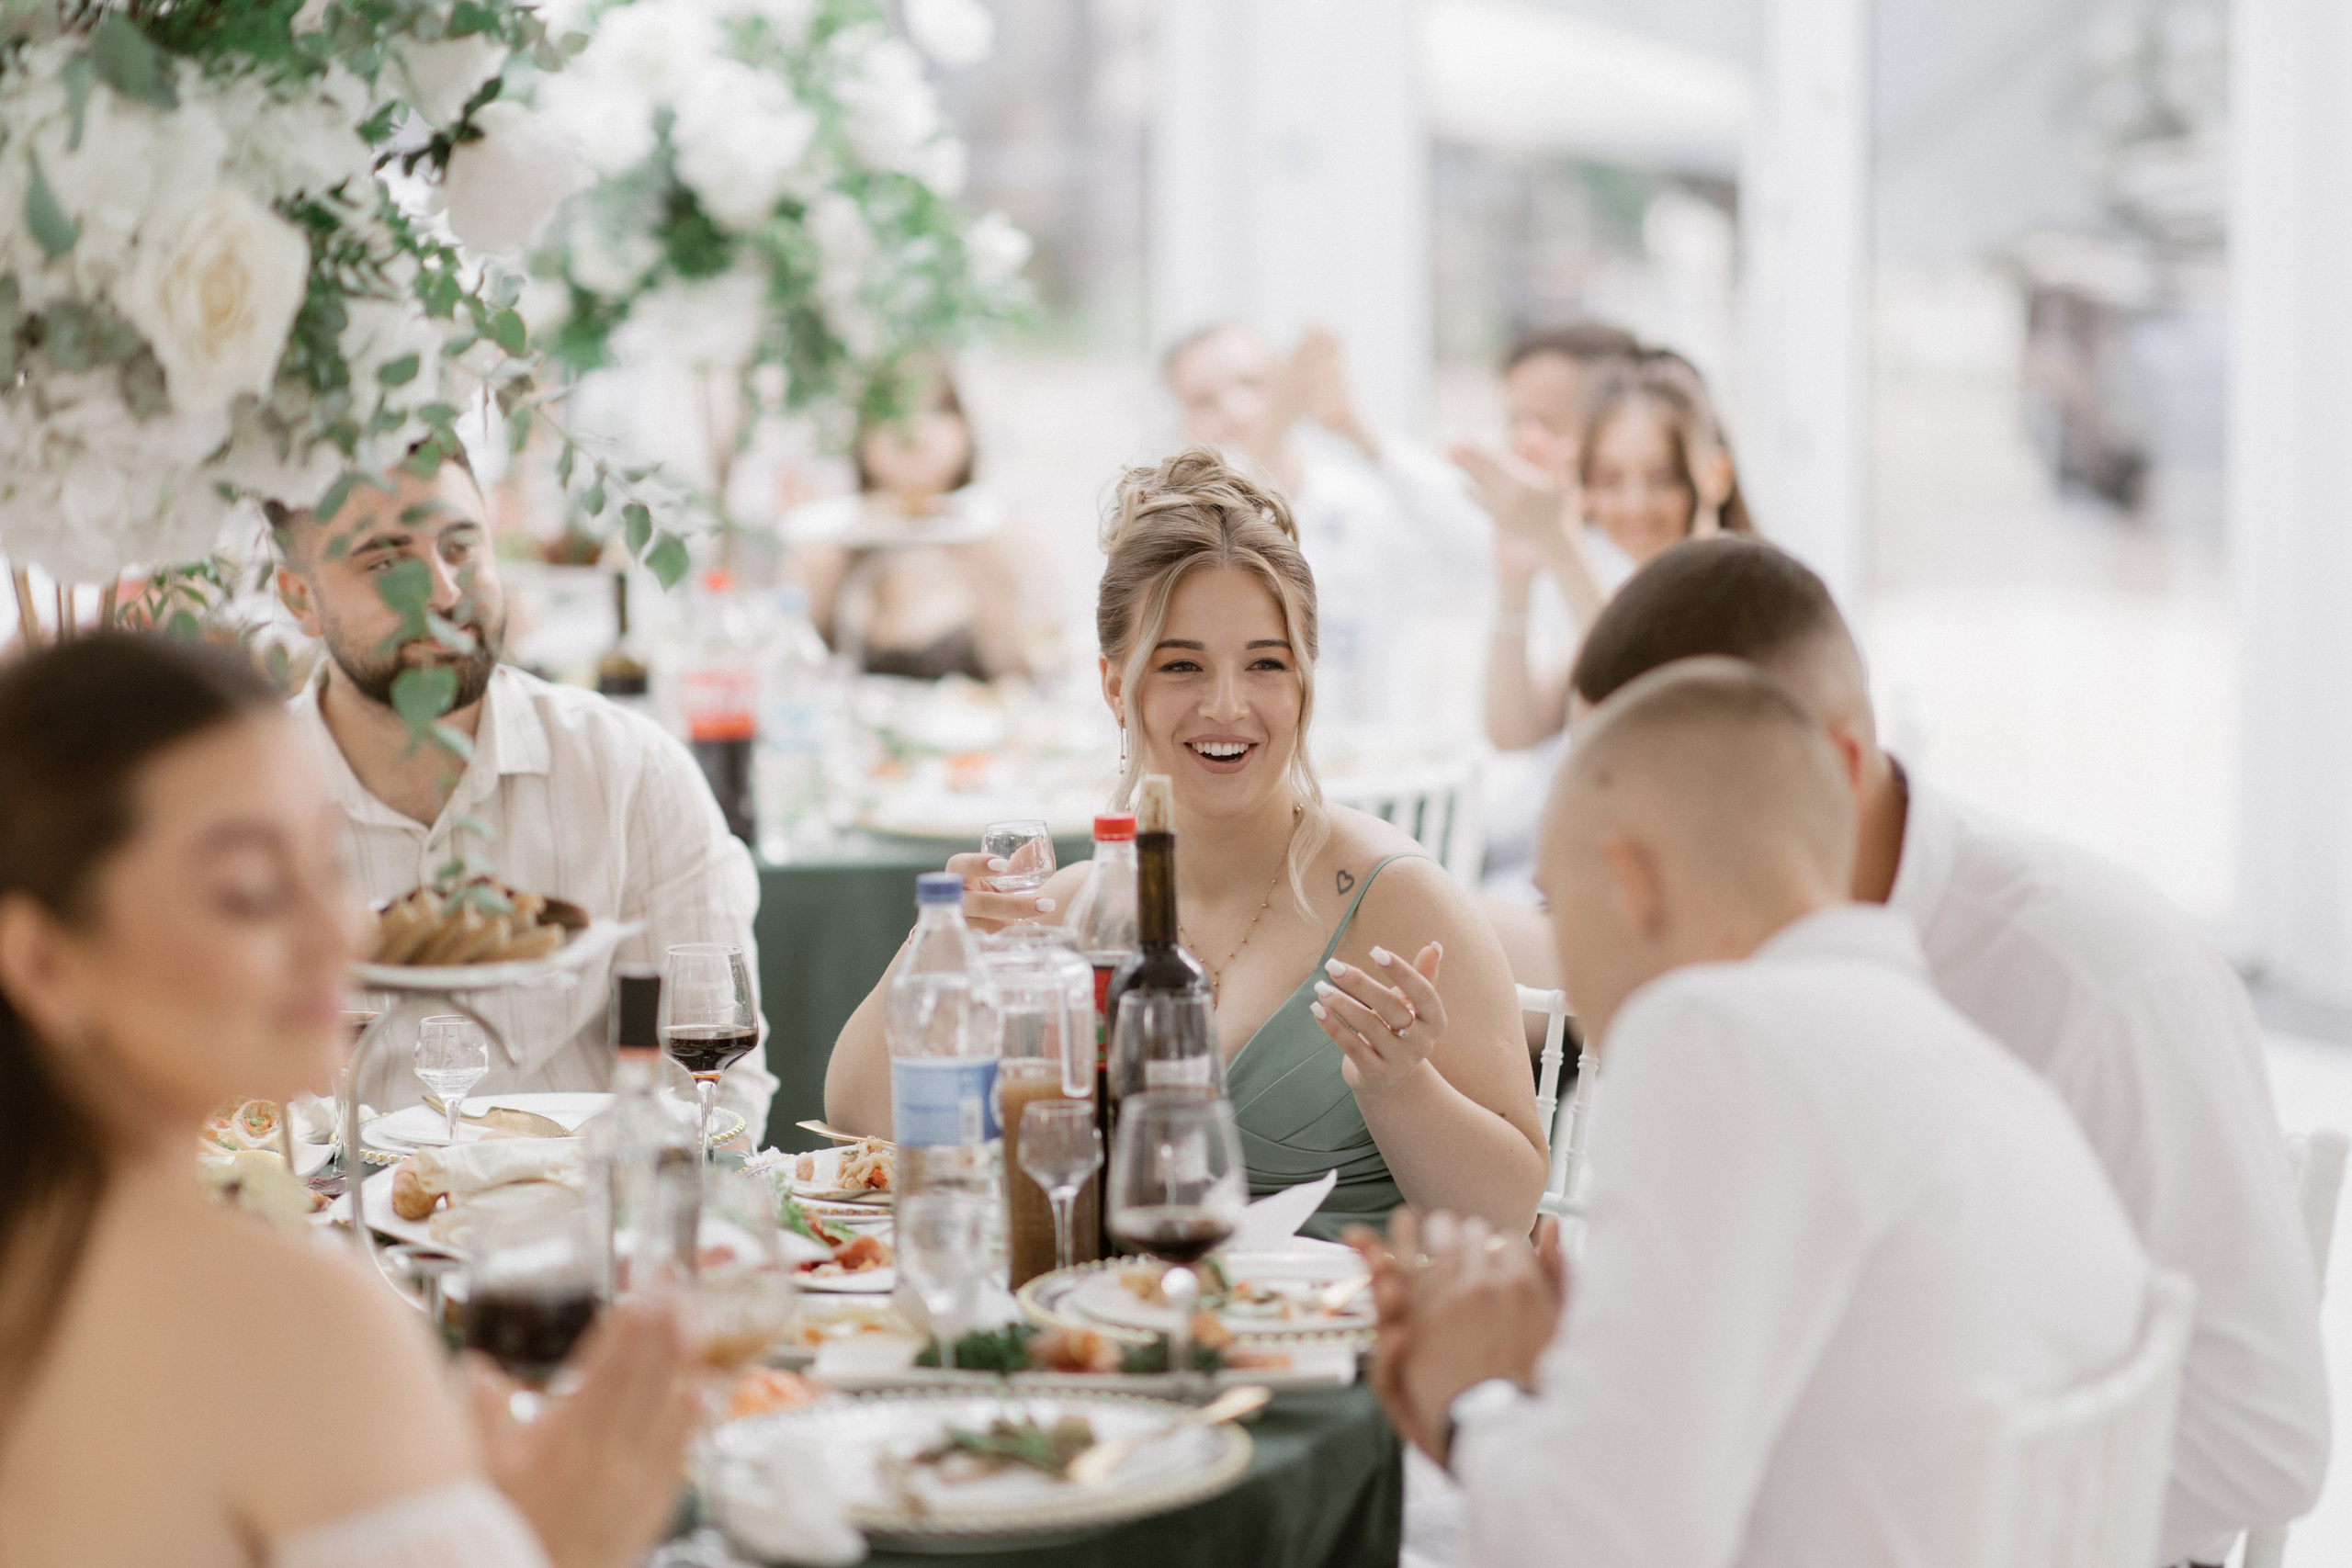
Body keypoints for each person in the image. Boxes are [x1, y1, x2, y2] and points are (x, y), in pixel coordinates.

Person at [1564, 537, 2329, 1565]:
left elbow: (2260, 1444)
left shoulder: (2100, 981)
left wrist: (1817, 1484)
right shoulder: (1715, 990)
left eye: (1651, 820)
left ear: (1830, 768)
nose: (1622, 894)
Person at [1360, 658, 2152, 1567]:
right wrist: (1570, 1369)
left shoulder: (1709, 1034)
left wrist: (1469, 1396)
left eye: (1556, 903)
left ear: (1630, 883)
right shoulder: (1984, 1073)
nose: (1560, 959)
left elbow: (1593, 1546)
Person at [0, 634, 698, 1567]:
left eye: (328, 860)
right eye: (249, 891)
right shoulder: (288, 1322)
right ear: (45, 963)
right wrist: (567, 1546)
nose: (342, 928)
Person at [825, 449, 1547, 1237]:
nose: (1227, 704)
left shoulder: (1397, 902)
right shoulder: (1066, 913)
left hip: (1343, 1342)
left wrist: (1401, 1086)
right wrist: (938, 943)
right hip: (1104, 1333)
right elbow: (867, 1115)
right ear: (1114, 686)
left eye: (1265, 664)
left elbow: (1509, 1211)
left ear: (1305, 681)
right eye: (1182, 666)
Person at [269, 451, 775, 1133]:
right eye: (385, 563)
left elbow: (717, 1094)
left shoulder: (632, 772)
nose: (444, 593)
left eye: (459, 546)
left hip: (585, 1218)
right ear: (300, 597)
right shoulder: (230, 809)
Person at [1162, 321, 1488, 735]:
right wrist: (1276, 418)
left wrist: (1357, 429)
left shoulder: (1357, 501)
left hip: (1379, 771)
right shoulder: (1178, 520)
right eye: (1203, 401)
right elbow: (1220, 525)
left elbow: (1479, 553)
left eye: (1252, 383)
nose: (1234, 409)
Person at [1462, 346, 1751, 753]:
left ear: (1716, 474)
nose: (1635, 505)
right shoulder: (1629, 592)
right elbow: (1515, 731)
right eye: (1611, 480)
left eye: (1663, 478)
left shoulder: (1748, 588)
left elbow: (1648, 705)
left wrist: (1559, 545)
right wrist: (1516, 581)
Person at [785, 367, 1040, 682]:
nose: (916, 429)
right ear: (862, 437)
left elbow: (1032, 682)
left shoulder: (1004, 541)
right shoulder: (827, 543)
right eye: (893, 410)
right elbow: (788, 673)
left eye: (937, 409)